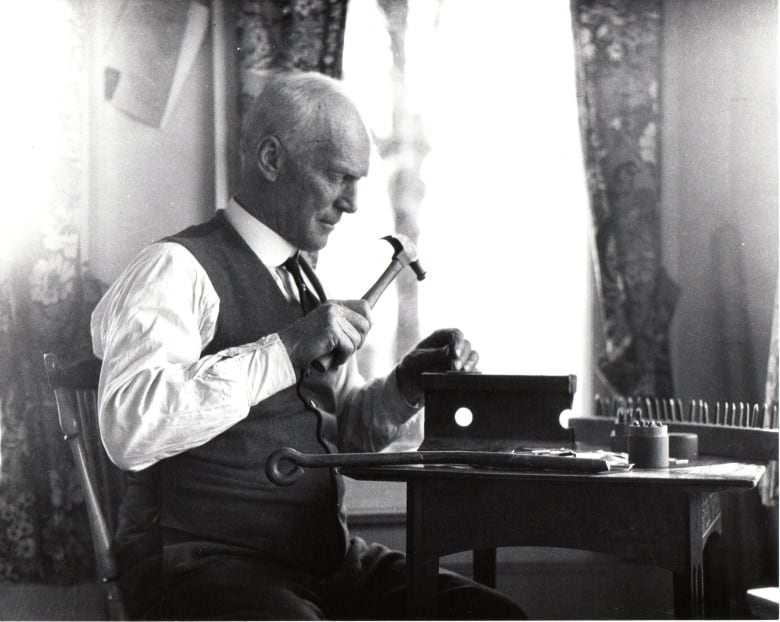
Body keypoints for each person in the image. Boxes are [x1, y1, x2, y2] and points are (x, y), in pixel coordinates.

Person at [91, 70, 524, 620]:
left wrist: (407, 384)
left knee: (492, 616)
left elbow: (343, 431)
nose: (352, 203)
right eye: (339, 176)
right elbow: (128, 427)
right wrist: (284, 350)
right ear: (272, 160)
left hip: (325, 563)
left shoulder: (301, 281)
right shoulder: (174, 268)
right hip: (203, 565)